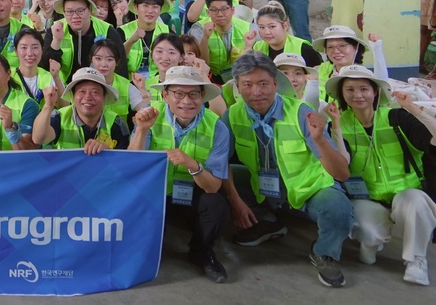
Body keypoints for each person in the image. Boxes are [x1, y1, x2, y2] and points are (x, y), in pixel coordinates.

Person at [220, 52, 353, 288]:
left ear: (275, 83)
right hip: (263, 187)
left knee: (338, 207)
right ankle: (270, 222)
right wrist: (236, 202)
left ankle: (324, 252)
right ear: (238, 89)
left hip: (307, 188)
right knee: (221, 177)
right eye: (247, 85)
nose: (256, 92)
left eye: (263, 84)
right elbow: (220, 164)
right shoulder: (232, 115)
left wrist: (320, 139)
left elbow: (342, 174)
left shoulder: (301, 112)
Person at [325, 65, 436, 285]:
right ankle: (371, 241)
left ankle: (416, 259)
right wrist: (336, 128)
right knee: (367, 236)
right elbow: (342, 166)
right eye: (350, 89)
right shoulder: (339, 124)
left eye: (364, 88)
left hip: (407, 192)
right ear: (342, 94)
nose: (357, 95)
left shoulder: (397, 117)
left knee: (415, 202)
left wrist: (413, 108)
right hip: (367, 197)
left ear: (375, 92)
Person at [129, 67, 232, 283]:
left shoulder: (218, 128)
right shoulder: (149, 116)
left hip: (194, 193)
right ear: (165, 95)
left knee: (217, 204)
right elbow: (131, 166)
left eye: (194, 94)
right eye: (178, 93)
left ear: (202, 96)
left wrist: (191, 164)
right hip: (157, 193)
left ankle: (201, 252)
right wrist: (141, 130)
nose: (187, 101)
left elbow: (213, 186)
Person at [31, 68, 131, 153]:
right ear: (73, 96)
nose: (88, 97)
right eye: (82, 91)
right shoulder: (59, 117)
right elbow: (38, 138)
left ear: (104, 97)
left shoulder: (117, 123)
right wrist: (48, 105)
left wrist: (108, 152)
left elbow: (123, 163)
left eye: (95, 92)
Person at [48, 0, 125, 81]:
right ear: (64, 13)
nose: (75, 16)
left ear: (89, 10)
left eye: (80, 10)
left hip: (100, 87)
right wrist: (56, 41)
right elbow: (45, 69)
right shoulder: (54, 30)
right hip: (63, 89)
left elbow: (120, 66)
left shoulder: (108, 30)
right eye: (69, 12)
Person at [188, 0, 253, 82]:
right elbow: (202, 64)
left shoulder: (247, 27)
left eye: (224, 9)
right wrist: (205, 38)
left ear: (232, 10)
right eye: (214, 10)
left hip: (241, 75)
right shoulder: (199, 28)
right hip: (210, 76)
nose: (220, 14)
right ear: (208, 12)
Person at [121, 0, 172, 78]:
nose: (150, 11)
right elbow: (115, 59)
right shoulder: (123, 31)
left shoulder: (167, 31)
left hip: (158, 81)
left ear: (160, 10)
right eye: (145, 5)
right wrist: (131, 41)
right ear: (136, 8)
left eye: (155, 6)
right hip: (129, 81)